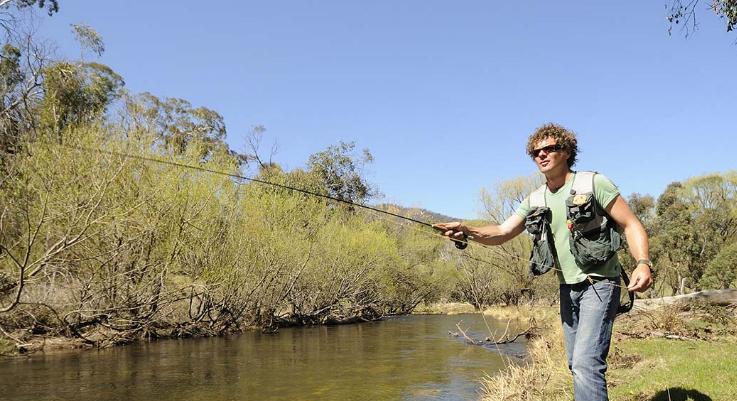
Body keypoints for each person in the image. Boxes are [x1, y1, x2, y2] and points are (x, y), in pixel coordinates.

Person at [434, 123, 652, 401]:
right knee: (576, 365)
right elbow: (502, 232)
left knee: (587, 365)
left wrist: (643, 263)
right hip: (567, 289)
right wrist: (467, 230)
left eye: (550, 149)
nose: (542, 155)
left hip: (599, 285)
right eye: (536, 152)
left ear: (567, 151)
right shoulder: (535, 199)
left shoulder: (593, 183)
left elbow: (631, 225)